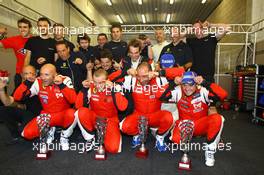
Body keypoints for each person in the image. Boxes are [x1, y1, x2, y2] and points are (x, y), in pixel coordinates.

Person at [163, 71, 227, 167]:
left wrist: (205, 82)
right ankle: (185, 149)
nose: (187, 88)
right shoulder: (178, 91)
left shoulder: (203, 91)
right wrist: (173, 83)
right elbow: (160, 96)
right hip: (184, 125)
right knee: (175, 139)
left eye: (191, 85)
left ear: (196, 84)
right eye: (184, 85)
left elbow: (223, 94)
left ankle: (210, 151)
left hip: (200, 125)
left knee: (219, 119)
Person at [120, 62, 184, 152]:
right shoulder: (132, 80)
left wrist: (159, 73)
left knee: (169, 118)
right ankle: (138, 133)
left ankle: (160, 136)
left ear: (151, 72)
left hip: (155, 115)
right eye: (139, 76)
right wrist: (126, 72)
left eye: (144, 76)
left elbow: (181, 71)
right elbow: (110, 78)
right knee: (124, 126)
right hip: (139, 115)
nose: (141, 79)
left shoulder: (160, 80)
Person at [13, 64, 77, 150]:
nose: (43, 77)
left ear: (55, 75)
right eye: (41, 74)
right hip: (47, 116)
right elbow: (17, 97)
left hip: (63, 115)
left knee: (72, 114)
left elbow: (73, 100)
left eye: (46, 75)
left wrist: (61, 85)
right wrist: (27, 83)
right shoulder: (38, 82)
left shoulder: (65, 79)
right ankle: (49, 130)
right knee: (26, 134)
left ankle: (64, 136)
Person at [75, 69, 128, 153]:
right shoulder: (91, 87)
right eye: (95, 82)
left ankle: (110, 134)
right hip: (95, 118)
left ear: (107, 80)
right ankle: (90, 139)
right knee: (80, 112)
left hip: (110, 120)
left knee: (113, 149)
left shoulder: (115, 87)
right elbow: (78, 106)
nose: (98, 85)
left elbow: (123, 107)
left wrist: (113, 90)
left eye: (101, 82)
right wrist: (84, 89)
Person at [0, 66, 42, 145]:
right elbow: (9, 103)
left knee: (26, 132)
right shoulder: (20, 86)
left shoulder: (39, 83)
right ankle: (16, 135)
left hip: (38, 115)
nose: (29, 76)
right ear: (22, 75)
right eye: (26, 73)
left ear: (35, 74)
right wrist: (1, 90)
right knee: (2, 109)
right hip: (25, 113)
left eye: (31, 73)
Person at [0, 18, 32, 88]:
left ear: (30, 28)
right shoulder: (15, 40)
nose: (22, 29)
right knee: (18, 97)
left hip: (32, 74)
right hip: (19, 74)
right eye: (20, 27)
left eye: (25, 27)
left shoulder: (35, 40)